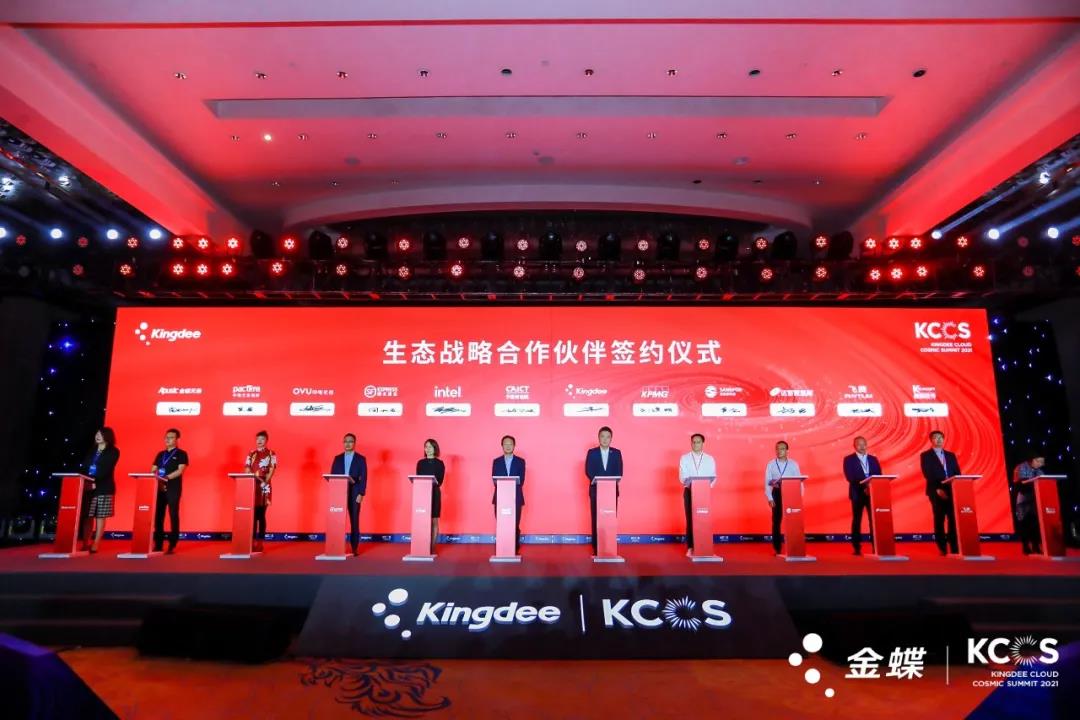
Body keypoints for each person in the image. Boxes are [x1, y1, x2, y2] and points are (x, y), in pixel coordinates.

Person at [919, 430, 960, 556]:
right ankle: (942, 545)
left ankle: (954, 545)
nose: (939, 440)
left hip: (952, 489)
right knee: (939, 518)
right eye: (936, 437)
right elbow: (927, 473)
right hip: (936, 489)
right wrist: (938, 488)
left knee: (953, 518)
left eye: (941, 437)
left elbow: (957, 472)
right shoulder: (926, 455)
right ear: (931, 440)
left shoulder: (950, 455)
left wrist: (959, 486)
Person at [585, 426, 624, 555]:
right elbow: (588, 470)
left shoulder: (616, 453)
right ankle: (597, 547)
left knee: (610, 519)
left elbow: (619, 471)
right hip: (596, 491)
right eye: (602, 436)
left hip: (611, 492)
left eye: (608, 437)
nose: (605, 439)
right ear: (599, 438)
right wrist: (600, 481)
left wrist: (609, 482)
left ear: (611, 439)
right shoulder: (592, 453)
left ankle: (610, 546)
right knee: (596, 518)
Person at [842, 436, 882, 556]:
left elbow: (879, 475)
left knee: (874, 521)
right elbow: (850, 477)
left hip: (872, 494)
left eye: (864, 444)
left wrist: (871, 487)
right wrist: (865, 486)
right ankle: (856, 547)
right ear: (854, 446)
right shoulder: (848, 459)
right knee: (857, 520)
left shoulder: (873, 459)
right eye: (859, 444)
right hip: (857, 493)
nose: (862, 446)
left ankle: (876, 546)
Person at [678, 433, 717, 557]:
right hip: (689, 491)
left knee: (704, 519)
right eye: (693, 442)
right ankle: (690, 547)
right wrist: (692, 483)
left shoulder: (710, 459)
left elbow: (713, 476)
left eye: (698, 442)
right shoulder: (684, 458)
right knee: (690, 519)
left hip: (704, 492)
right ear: (691, 443)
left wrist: (705, 486)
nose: (695, 444)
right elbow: (682, 477)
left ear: (703, 444)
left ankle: (705, 546)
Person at [151, 428, 188, 554]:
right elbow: (153, 469)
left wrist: (166, 478)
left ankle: (172, 543)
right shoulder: (160, 454)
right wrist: (158, 478)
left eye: (171, 437)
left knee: (173, 514)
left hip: (173, 487)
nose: (168, 440)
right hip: (159, 487)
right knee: (158, 516)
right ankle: (158, 544)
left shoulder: (181, 454)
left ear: (177, 440)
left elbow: (180, 470)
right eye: (166, 437)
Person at [82, 427, 120, 553]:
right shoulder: (93, 450)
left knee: (100, 516)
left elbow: (106, 468)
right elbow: (85, 465)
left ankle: (96, 543)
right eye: (96, 434)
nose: (97, 436)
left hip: (104, 487)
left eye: (100, 434)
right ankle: (85, 542)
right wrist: (87, 479)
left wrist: (95, 480)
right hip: (88, 486)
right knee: (87, 516)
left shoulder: (113, 451)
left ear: (107, 436)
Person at [330, 433, 367, 556]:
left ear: (354, 443)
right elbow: (332, 475)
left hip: (354, 492)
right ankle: (335, 546)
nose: (348, 444)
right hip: (339, 492)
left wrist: (361, 493)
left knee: (354, 520)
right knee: (336, 520)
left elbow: (364, 478)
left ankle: (354, 547)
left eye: (350, 441)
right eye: (345, 441)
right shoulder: (337, 458)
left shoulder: (361, 459)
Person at [765, 440, 801, 556]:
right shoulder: (771, 464)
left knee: (793, 521)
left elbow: (799, 481)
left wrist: (799, 496)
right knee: (776, 520)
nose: (779, 451)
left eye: (782, 449)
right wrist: (770, 498)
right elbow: (767, 482)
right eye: (777, 449)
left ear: (787, 451)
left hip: (791, 493)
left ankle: (794, 546)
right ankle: (777, 548)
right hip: (777, 493)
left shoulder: (793, 464)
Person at [491, 435, 525, 554]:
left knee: (514, 523)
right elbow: (494, 480)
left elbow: (521, 480)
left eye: (510, 444)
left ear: (514, 446)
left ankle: (514, 546)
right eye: (505, 444)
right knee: (502, 523)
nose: (508, 446)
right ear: (502, 446)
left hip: (516, 497)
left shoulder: (520, 461)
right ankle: (502, 545)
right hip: (500, 498)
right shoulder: (496, 462)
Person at [245, 430, 276, 553]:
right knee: (252, 516)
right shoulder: (251, 453)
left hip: (264, 486)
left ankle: (260, 542)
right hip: (252, 485)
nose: (259, 441)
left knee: (261, 515)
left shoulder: (271, 453)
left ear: (266, 440)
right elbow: (247, 468)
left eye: (262, 439)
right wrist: (249, 473)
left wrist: (265, 482)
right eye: (258, 439)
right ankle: (251, 541)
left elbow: (272, 469)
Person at [1011, 453, 1046, 555]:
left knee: (1036, 524)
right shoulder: (1020, 467)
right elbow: (1018, 483)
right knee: (1024, 523)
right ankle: (1025, 546)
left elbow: (1044, 480)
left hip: (1036, 500)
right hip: (1024, 499)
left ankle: (1036, 546)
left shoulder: (1039, 470)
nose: (1040, 463)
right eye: (1038, 460)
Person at [416, 438, 445, 554]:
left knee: (434, 520)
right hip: (422, 494)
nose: (427, 449)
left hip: (434, 493)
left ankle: (432, 548)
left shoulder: (440, 463)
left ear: (435, 448)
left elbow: (440, 481)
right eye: (426, 447)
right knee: (423, 520)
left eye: (430, 447)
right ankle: (422, 546)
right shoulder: (420, 463)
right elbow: (418, 478)